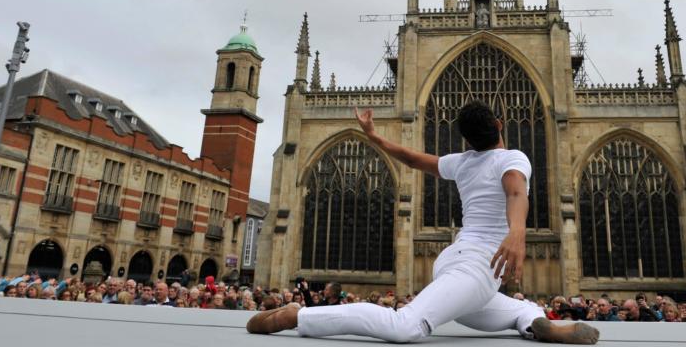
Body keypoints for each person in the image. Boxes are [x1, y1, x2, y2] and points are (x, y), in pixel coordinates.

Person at [247, 101, 599, 344]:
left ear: (466, 140)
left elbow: (412, 158)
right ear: (499, 126)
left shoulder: (462, 162)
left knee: (507, 308)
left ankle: (533, 323)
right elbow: (515, 192)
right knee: (407, 327)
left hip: (452, 261)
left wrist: (374, 137)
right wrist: (517, 232)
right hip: (478, 267)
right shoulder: (512, 158)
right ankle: (298, 316)